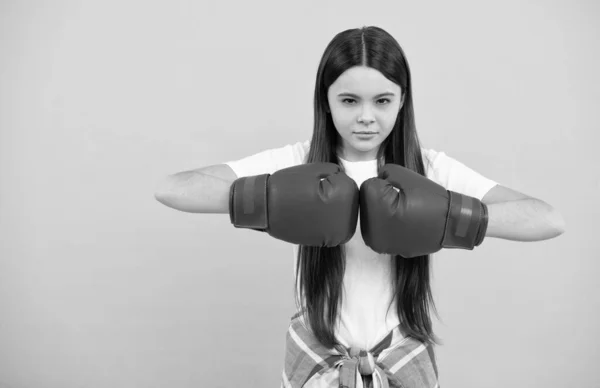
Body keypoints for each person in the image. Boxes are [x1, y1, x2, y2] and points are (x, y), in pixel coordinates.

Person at [155, 26, 563, 388]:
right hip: (316, 358)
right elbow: (172, 189)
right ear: (326, 101)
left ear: (402, 101)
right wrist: (269, 198)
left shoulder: (429, 169)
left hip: (402, 357)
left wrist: (450, 216)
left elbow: (548, 219)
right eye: (349, 101)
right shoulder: (300, 163)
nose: (366, 118)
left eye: (382, 101)